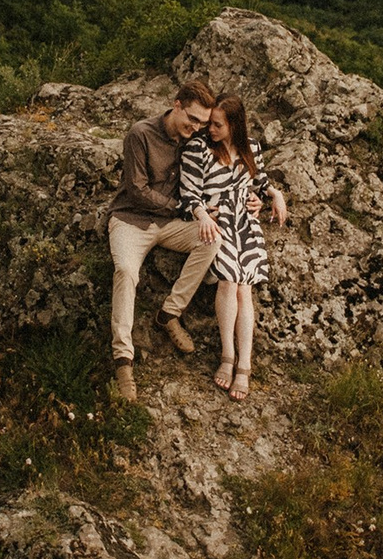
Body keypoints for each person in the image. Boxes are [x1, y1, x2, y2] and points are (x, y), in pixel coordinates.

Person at [106, 80, 222, 401]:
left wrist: (260, 195)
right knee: (127, 272)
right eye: (192, 119)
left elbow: (232, 155)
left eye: (202, 122)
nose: (197, 127)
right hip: (131, 219)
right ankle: (123, 360)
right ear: (177, 105)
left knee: (211, 239)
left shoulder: (195, 138)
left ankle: (169, 314)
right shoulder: (140, 134)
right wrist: (183, 208)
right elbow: (137, 191)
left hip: (171, 223)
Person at [178, 94, 287, 401]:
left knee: (244, 289)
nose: (209, 129)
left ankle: (245, 364)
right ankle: (228, 356)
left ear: (234, 124)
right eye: (209, 122)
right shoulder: (198, 148)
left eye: (217, 125)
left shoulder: (250, 147)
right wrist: (202, 215)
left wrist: (273, 195)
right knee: (229, 281)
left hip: (245, 223)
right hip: (215, 221)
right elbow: (188, 195)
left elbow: (260, 182)